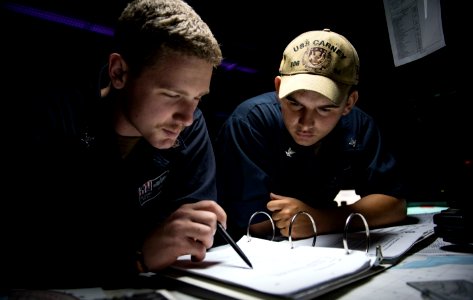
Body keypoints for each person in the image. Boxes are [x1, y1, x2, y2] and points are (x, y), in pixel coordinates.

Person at [2, 0, 226, 289]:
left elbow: (191, 238)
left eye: (197, 98)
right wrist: (137, 257)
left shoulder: (190, 126)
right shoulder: (50, 118)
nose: (187, 118)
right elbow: (30, 255)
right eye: (172, 94)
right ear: (119, 72)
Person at [215, 29, 407, 241]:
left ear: (349, 103)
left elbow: (394, 205)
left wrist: (320, 220)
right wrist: (337, 218)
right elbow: (255, 223)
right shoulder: (250, 122)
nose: (305, 124)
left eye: (325, 109)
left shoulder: (359, 125)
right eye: (294, 103)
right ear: (279, 88)